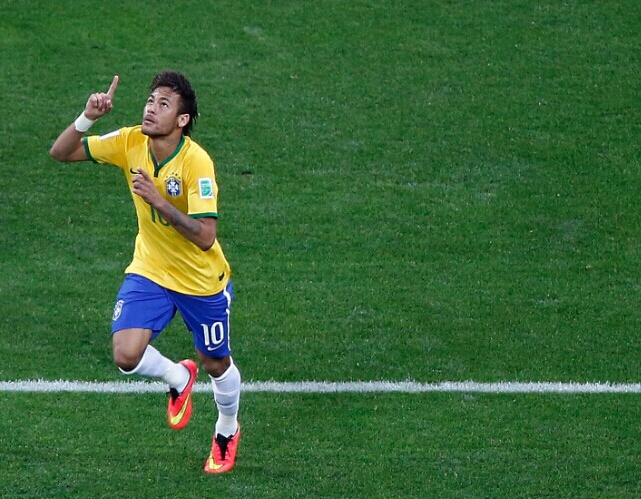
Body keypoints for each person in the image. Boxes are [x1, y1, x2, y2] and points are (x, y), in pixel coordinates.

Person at [50, 71, 241, 474]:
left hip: (200, 280)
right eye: (151, 100)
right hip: (151, 269)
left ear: (182, 120)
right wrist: (87, 118)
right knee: (125, 355)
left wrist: (160, 202)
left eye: (164, 104)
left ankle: (226, 429)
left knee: (215, 363)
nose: (151, 109)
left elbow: (206, 236)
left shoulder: (196, 162)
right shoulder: (130, 141)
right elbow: (61, 152)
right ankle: (178, 377)